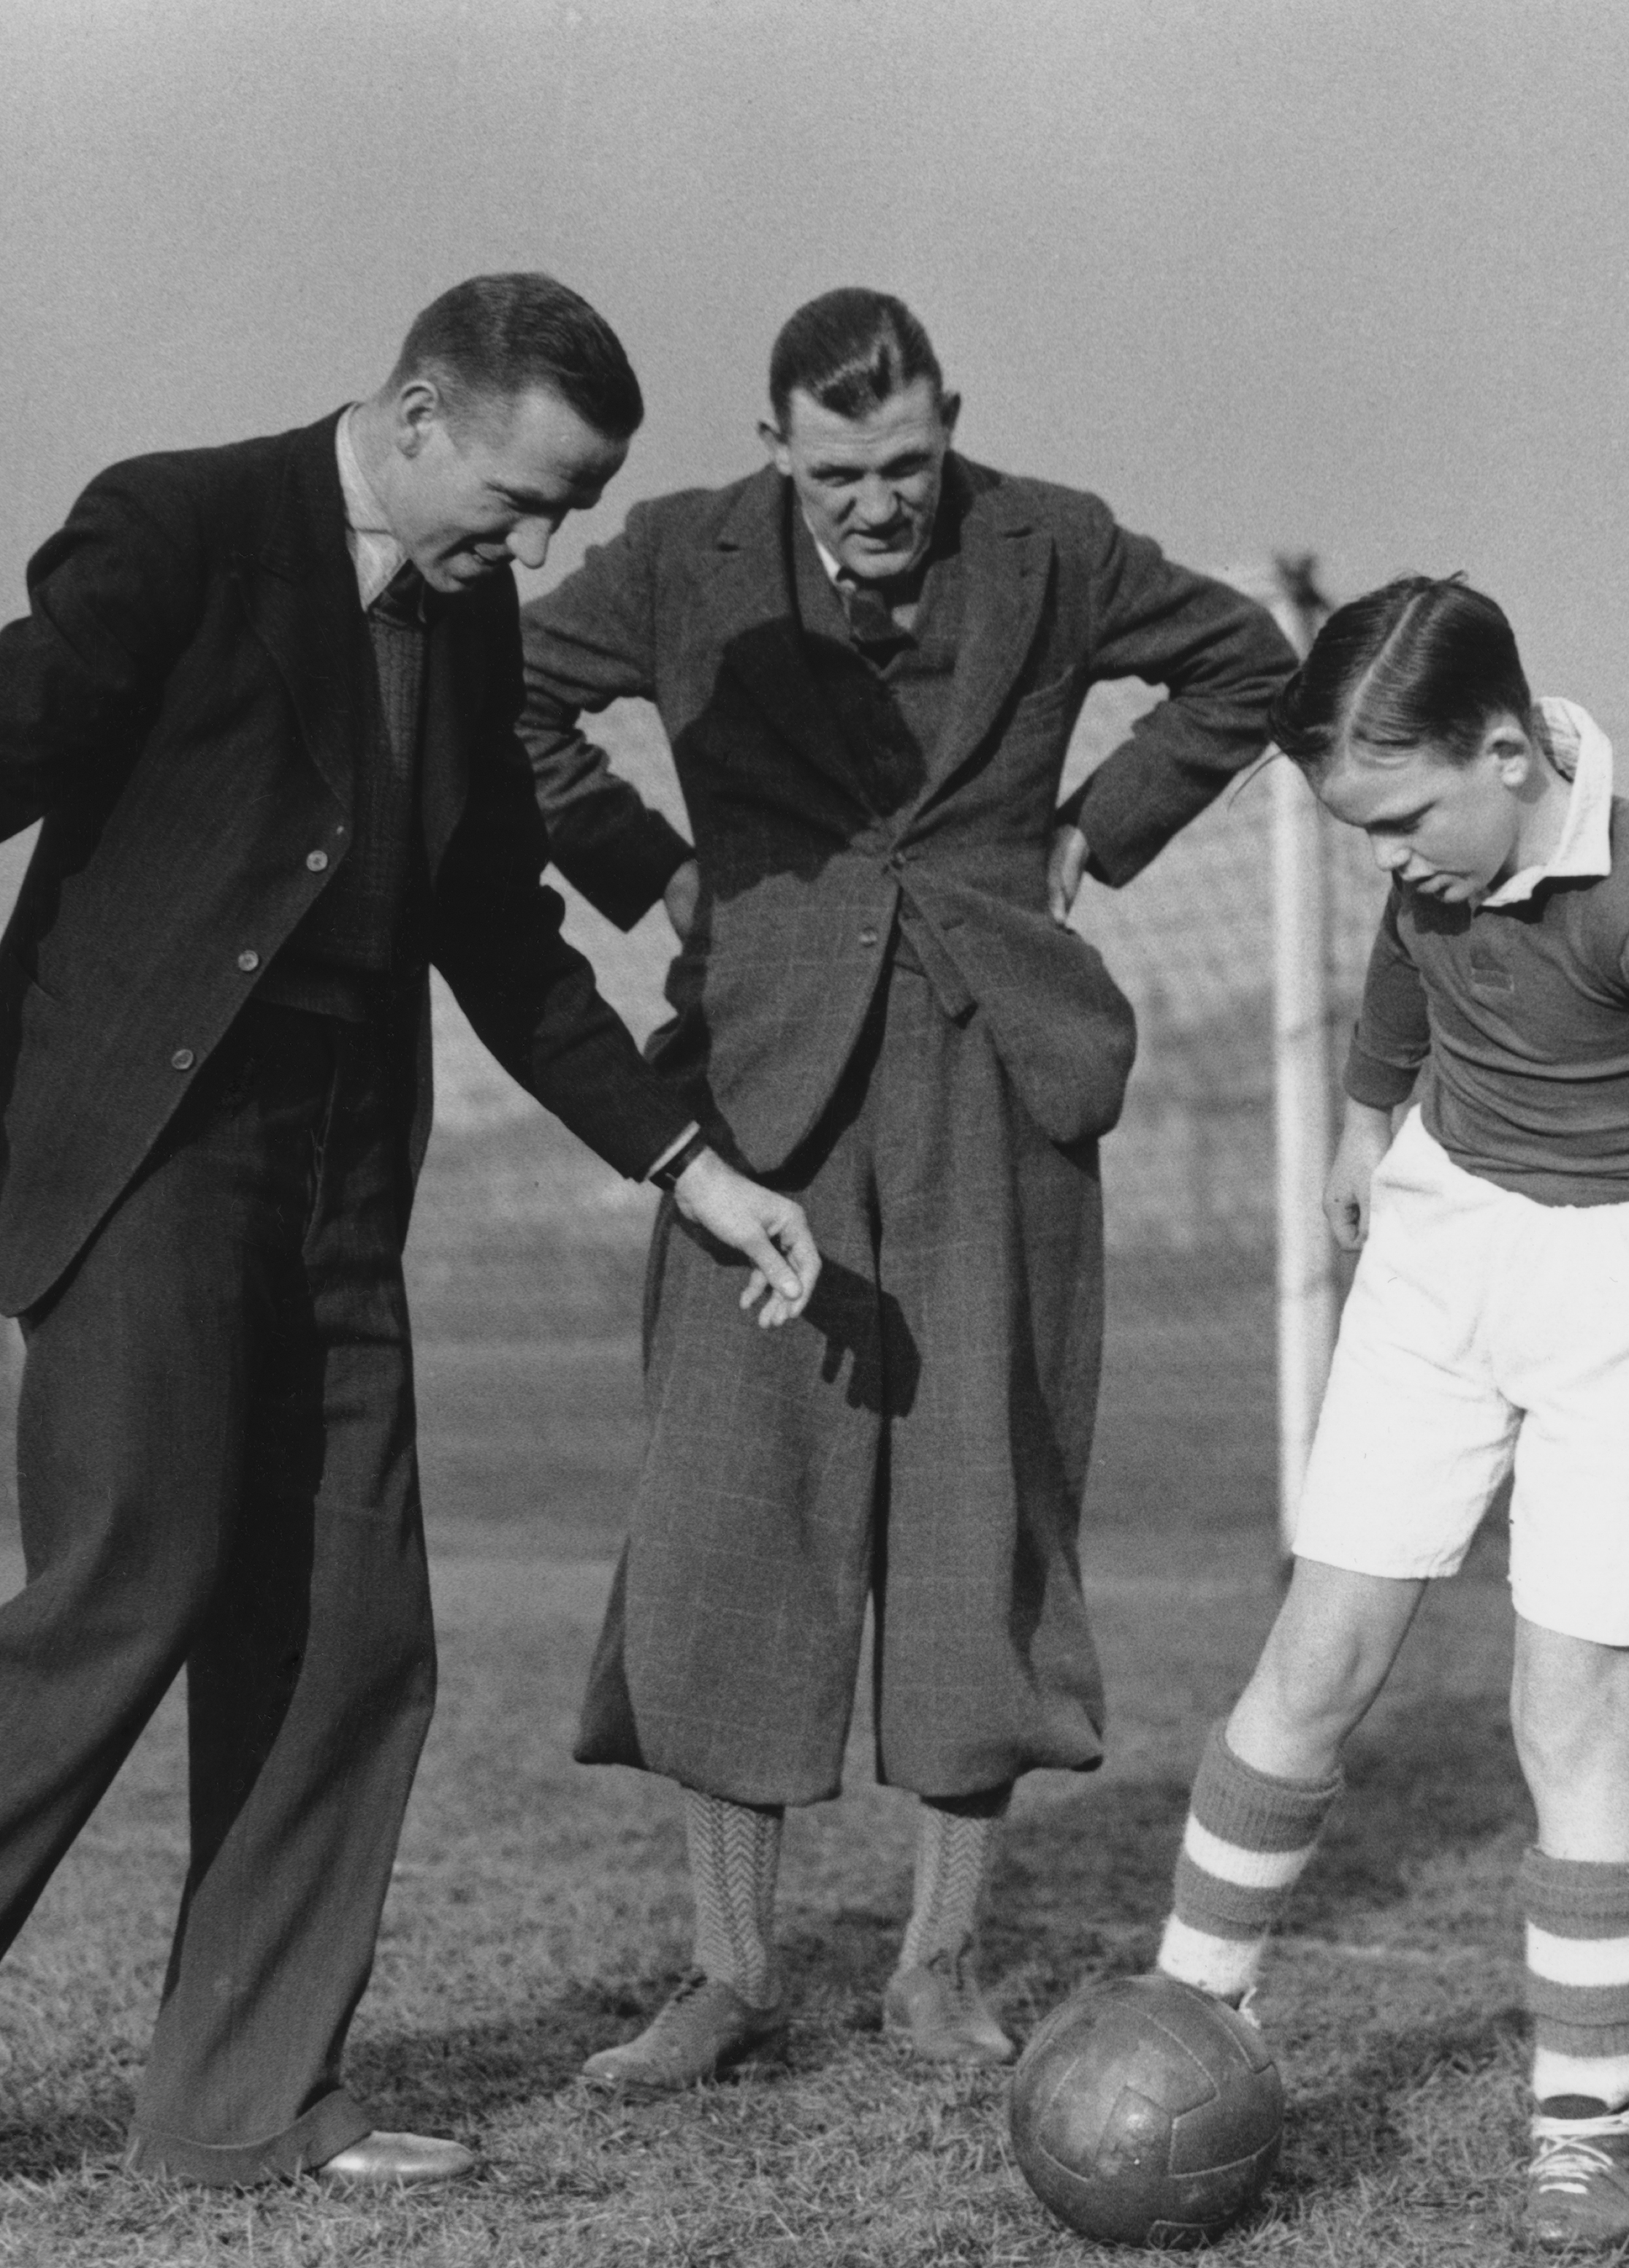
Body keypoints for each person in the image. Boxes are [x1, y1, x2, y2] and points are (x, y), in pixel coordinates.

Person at [0, 275, 817, 2259]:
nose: (547, 546)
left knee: (355, 1623)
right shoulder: (177, 526)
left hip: (338, 1176)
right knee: (135, 1571)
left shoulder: (468, 605)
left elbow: (498, 935)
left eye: (577, 508)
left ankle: (246, 2097)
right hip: (138, 1155)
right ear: (418, 414)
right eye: (528, 497)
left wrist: (689, 1165)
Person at [518, 289, 1297, 2088]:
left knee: (977, 1509)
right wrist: (649, 872)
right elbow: (504, 700)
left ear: (955, 419)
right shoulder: (673, 559)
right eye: (844, 468)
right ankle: (727, 1972)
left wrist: (1099, 830)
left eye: (913, 463)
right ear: (775, 438)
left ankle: (942, 1966)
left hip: (990, 1076)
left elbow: (1249, 664)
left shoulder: (1054, 545)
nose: (882, 502)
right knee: (730, 1511)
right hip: (756, 1096)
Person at [1141, 575, 1629, 2253]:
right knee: (1314, 1662)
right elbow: (1408, 966)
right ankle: (1190, 2014)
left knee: (1569, 1710)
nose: (1391, 858)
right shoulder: (1439, 853)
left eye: (1404, 818)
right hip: (1446, 1244)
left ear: (1505, 751)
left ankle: (1583, 2124)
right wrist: (1362, 1123)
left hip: (1627, 1284)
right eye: (1362, 830)